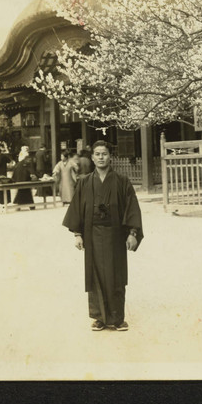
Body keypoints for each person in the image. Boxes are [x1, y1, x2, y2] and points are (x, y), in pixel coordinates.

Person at [63, 140, 143, 332]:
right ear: (92, 157)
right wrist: (77, 234)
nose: (101, 157)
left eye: (104, 154)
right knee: (95, 275)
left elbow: (132, 208)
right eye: (97, 154)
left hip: (115, 235)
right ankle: (98, 317)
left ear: (110, 156)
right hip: (92, 235)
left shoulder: (122, 181)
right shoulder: (85, 182)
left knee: (116, 275)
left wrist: (132, 233)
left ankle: (117, 318)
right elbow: (78, 210)